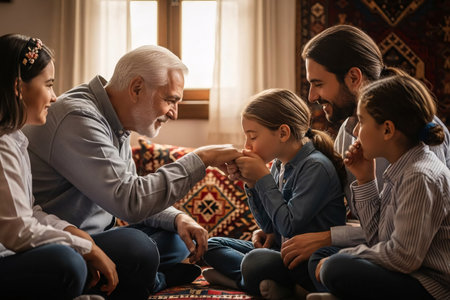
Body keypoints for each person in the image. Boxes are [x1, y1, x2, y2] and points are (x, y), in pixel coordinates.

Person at [22, 45, 242, 293]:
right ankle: (155, 280)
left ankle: (146, 275)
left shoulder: (115, 120)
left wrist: (179, 218)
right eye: (170, 100)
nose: (174, 113)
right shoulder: (77, 116)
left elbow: (134, 192)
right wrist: (201, 158)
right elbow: (130, 200)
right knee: (137, 247)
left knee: (178, 239)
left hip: (99, 236)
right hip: (62, 241)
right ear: (137, 88)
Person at [277, 25, 450, 292]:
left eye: (318, 84)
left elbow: (409, 245)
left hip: (421, 272)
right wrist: (365, 179)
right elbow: (378, 230)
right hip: (384, 252)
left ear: (354, 77)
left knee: (335, 266)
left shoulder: (419, 140)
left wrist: (333, 243)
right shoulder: (349, 133)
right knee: (312, 262)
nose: (311, 97)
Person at [0, 34, 163, 300]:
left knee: (141, 246)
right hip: (13, 253)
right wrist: (85, 247)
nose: (54, 97)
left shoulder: (16, 138)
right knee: (69, 263)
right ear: (19, 88)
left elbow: (28, 211)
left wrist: (70, 231)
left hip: (28, 246)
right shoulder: (5, 144)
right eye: (49, 85)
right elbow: (17, 231)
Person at [313, 75, 450, 299]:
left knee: (336, 266)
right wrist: (366, 179)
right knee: (323, 258)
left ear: (387, 130)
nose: (355, 131)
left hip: (427, 284)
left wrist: (348, 256)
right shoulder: (401, 168)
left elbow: (404, 257)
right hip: (405, 273)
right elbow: (378, 240)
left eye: (361, 121)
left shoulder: (420, 176)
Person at [202, 89, 347, 299]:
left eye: (252, 136)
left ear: (283, 133)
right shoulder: (278, 165)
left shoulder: (316, 167)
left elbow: (288, 225)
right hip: (281, 251)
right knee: (210, 245)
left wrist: (262, 179)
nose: (247, 145)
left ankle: (241, 281)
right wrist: (250, 183)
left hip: (307, 258)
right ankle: (259, 282)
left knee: (256, 261)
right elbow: (270, 227)